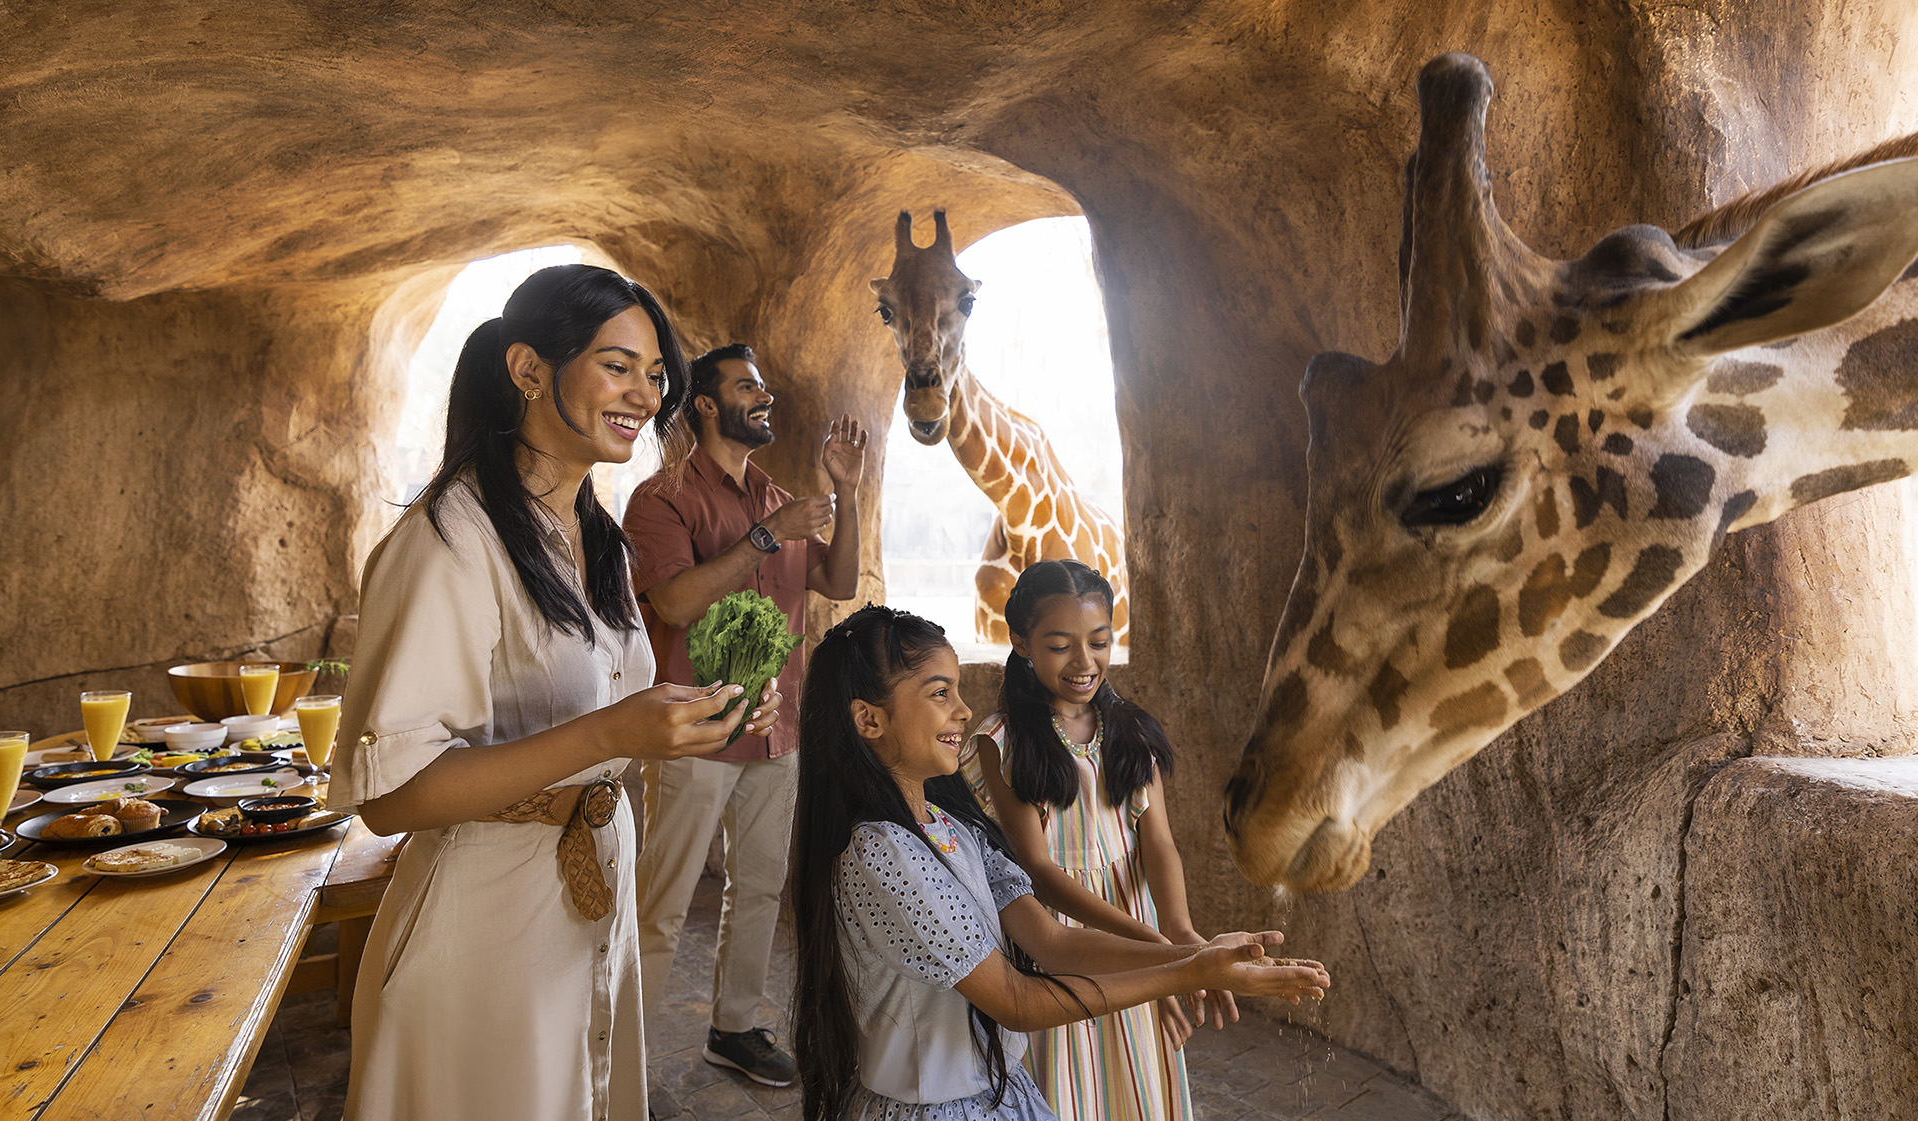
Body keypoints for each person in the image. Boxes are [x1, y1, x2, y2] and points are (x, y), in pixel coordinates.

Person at [331, 264, 782, 1121]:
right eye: (616, 365)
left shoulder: (599, 541)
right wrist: (615, 731)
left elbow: (611, 706)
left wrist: (698, 713)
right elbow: (390, 798)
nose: (644, 394)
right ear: (529, 368)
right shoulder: (448, 540)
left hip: (585, 909)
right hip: (483, 932)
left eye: (656, 375)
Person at [790, 605, 1331, 1121]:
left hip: (998, 1095)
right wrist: (1184, 972)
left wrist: (1199, 953)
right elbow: (1017, 1001)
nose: (961, 708)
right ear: (869, 719)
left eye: (957, 689)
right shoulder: (882, 852)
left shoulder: (950, 826)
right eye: (939, 692)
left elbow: (1054, 942)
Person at [622, 343, 864, 1095]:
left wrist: (845, 492)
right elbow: (674, 603)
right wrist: (767, 534)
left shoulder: (778, 495)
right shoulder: (661, 499)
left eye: (765, 386)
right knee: (660, 905)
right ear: (703, 403)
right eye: (748, 386)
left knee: (759, 887)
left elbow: (840, 580)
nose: (765, 396)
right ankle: (618, 1062)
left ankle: (734, 1028)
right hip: (692, 732)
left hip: (775, 728)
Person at [956, 560, 1216, 1120]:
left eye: (1099, 642)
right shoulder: (1003, 743)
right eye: (1060, 645)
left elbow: (1159, 844)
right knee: (1073, 1085)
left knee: (1140, 1072)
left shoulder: (1133, 731)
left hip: (1136, 923)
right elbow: (1040, 871)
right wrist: (1154, 948)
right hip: (1063, 940)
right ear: (1021, 642)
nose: (1084, 662)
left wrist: (1178, 929)